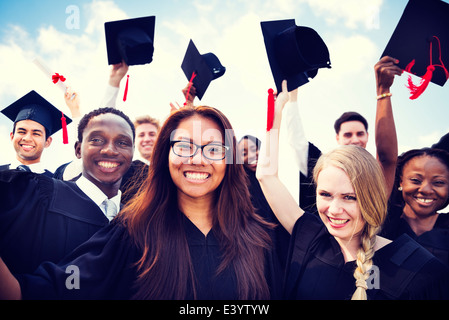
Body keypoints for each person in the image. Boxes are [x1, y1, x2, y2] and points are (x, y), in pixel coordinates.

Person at [0, 105, 282, 300]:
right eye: (183, 146)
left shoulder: (259, 238)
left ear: (229, 159)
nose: (198, 159)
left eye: (214, 148)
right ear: (164, 155)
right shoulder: (133, 232)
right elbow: (40, 291)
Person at [256, 80, 449, 300]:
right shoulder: (311, 236)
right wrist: (278, 112)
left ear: (372, 197)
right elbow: (266, 175)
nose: (334, 210)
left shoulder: (420, 272)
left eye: (350, 197)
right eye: (325, 194)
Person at [0, 107, 134, 275]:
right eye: (97, 140)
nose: (110, 150)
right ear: (78, 150)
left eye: (122, 142)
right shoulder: (40, 194)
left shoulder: (138, 220)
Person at [288, 56, 401, 213]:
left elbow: (386, 158)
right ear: (338, 138)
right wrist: (291, 92)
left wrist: (383, 91)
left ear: (368, 136)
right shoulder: (321, 168)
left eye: (360, 134)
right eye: (348, 135)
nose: (355, 140)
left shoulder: (374, 177)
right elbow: (295, 141)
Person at [382, 148, 449, 268]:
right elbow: (385, 157)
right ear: (401, 182)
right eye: (415, 180)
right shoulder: (383, 225)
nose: (425, 190)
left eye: (438, 182)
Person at [0, 90, 79, 176]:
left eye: (36, 134)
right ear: (12, 136)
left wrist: (75, 110)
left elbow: (82, 160)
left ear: (47, 142)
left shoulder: (55, 182)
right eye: (22, 131)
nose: (27, 138)